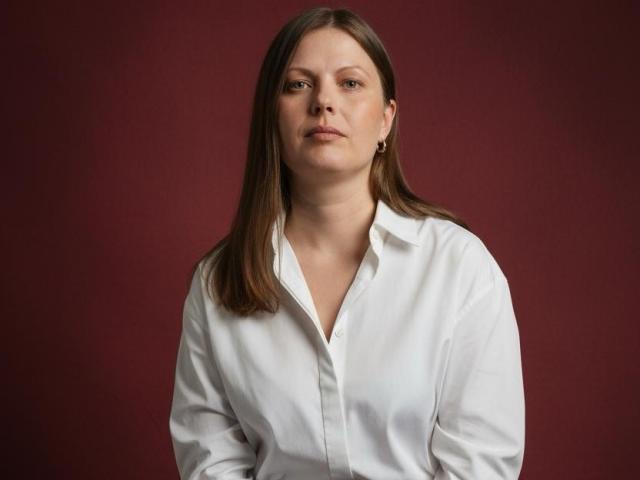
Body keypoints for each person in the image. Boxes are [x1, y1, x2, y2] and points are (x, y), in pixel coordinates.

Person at [169, 6, 525, 480]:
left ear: (385, 120)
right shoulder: (217, 282)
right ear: (272, 116)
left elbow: (481, 463)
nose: (323, 101)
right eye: (298, 84)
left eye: (350, 83)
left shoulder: (459, 268)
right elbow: (211, 462)